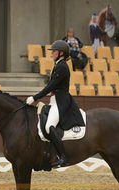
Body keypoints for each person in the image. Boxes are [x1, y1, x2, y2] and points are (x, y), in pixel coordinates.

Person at [25, 40, 85, 168]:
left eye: (54, 51)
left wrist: (34, 97)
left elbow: (51, 86)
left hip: (60, 102)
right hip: (55, 100)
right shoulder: (58, 65)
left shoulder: (62, 66)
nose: (52, 53)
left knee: (49, 126)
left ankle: (63, 157)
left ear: (61, 53)